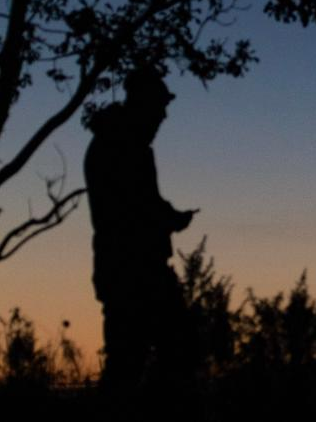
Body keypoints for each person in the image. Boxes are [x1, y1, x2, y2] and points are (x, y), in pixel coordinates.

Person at [83, 66, 200, 392]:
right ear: (143, 104)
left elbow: (144, 203)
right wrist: (170, 220)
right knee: (137, 363)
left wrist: (171, 217)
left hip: (130, 271)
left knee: (138, 362)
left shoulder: (120, 144)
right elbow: (135, 209)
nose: (163, 116)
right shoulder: (123, 148)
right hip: (132, 273)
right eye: (160, 107)